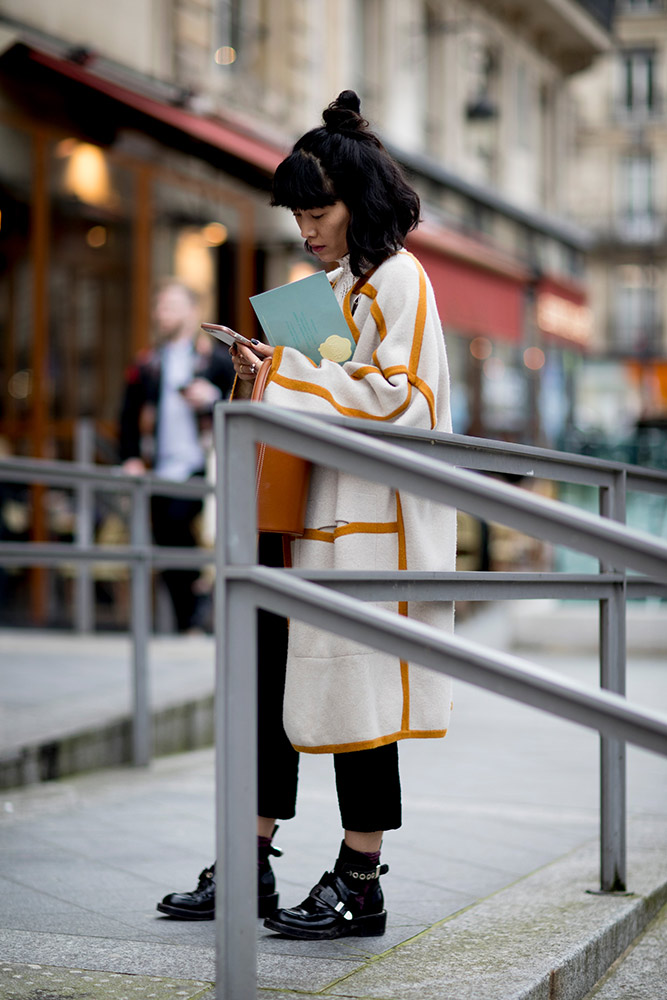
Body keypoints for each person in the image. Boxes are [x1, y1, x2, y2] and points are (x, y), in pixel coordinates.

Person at [157, 90, 455, 939]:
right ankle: (248, 858)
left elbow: (409, 402)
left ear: (357, 200)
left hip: (367, 529)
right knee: (268, 684)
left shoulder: (399, 279)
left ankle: (361, 878)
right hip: (304, 519)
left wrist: (284, 374)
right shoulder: (333, 284)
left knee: (354, 696)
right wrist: (266, 370)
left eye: (316, 209)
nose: (305, 227)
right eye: (296, 212)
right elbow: (326, 396)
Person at [119, 278, 235, 633]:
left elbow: (241, 404)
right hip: (159, 467)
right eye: (159, 306)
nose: (160, 313)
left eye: (169, 305)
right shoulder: (149, 363)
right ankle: (190, 617)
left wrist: (212, 397)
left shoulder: (216, 360)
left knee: (195, 533)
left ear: (191, 310)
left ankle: (200, 604)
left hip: (204, 465)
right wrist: (131, 458)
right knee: (166, 539)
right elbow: (127, 415)